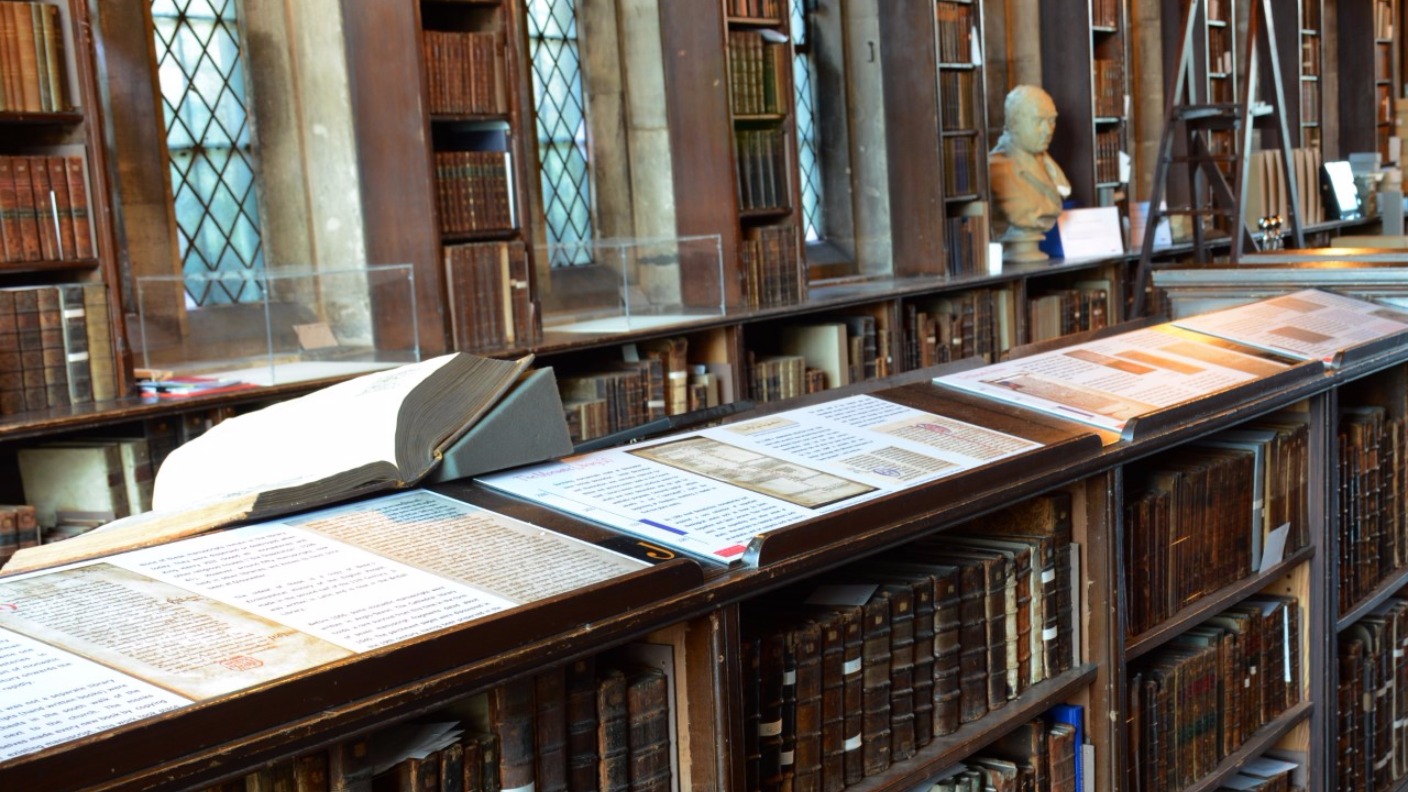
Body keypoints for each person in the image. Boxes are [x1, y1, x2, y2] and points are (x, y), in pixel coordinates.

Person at [989, 85, 1072, 262]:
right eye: (1038, 121)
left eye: (1051, 120)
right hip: (1018, 254)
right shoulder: (997, 168)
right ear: (1014, 123)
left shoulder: (1048, 165)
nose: (1048, 130)